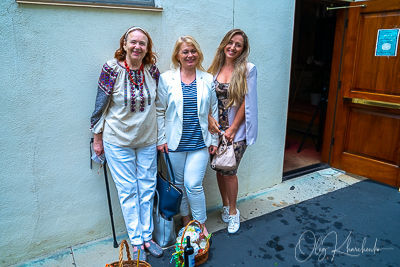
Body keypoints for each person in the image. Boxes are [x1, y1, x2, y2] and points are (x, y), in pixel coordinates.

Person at [90, 26, 163, 262]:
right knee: (128, 191)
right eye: (133, 42)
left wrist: (160, 137)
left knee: (147, 189)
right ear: (124, 44)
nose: (137, 47)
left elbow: (158, 105)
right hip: (118, 141)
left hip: (147, 140)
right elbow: (100, 106)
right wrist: (97, 138)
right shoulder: (111, 70)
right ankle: (136, 241)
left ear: (147, 48)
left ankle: (147, 237)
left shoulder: (152, 70)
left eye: (142, 43)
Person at [156, 36, 218, 237]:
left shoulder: (207, 79)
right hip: (174, 145)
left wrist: (215, 140)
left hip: (200, 144)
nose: (190, 55)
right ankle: (185, 220)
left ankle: (199, 224)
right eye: (185, 52)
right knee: (180, 186)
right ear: (177, 55)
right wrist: (161, 139)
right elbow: (159, 110)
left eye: (193, 51)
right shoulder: (166, 79)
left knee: (193, 185)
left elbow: (213, 110)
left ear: (198, 54)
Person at [207, 29, 258, 234]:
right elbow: (207, 98)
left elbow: (248, 101)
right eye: (230, 42)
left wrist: (234, 128)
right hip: (216, 130)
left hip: (236, 130)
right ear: (224, 44)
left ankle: (234, 212)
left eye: (238, 44)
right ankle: (225, 206)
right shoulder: (214, 68)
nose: (233, 47)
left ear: (243, 49)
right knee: (220, 168)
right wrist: (210, 120)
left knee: (229, 171)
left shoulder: (248, 69)